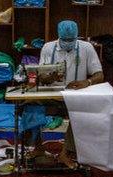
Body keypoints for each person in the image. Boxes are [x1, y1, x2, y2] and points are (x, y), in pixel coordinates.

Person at [34, 20, 105, 169]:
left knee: (82, 113)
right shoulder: (48, 48)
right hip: (51, 94)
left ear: (76, 37)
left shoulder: (87, 48)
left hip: (75, 95)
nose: (67, 43)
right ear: (58, 36)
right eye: (64, 40)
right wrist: (45, 77)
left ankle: (65, 153)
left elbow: (99, 74)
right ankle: (37, 147)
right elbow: (39, 73)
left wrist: (87, 82)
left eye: (71, 40)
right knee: (30, 107)